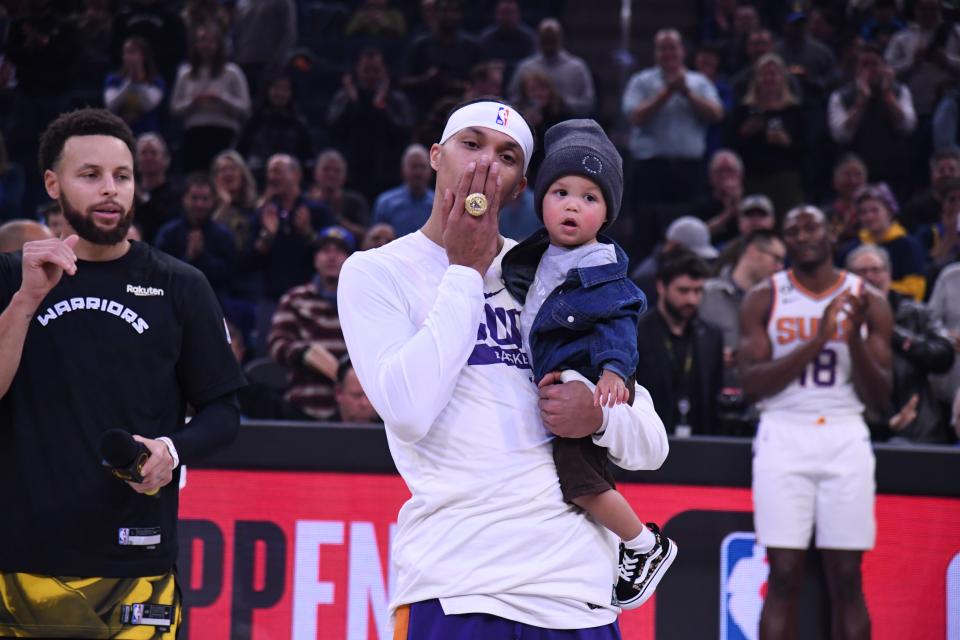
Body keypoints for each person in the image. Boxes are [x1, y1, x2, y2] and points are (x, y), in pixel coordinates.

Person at [338, 99, 669, 637]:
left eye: (507, 156)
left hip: (577, 591)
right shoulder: (377, 272)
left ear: (520, 188)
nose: (486, 164)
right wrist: (464, 273)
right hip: (457, 585)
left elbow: (652, 444)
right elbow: (408, 411)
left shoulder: (557, 274)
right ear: (436, 157)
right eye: (471, 145)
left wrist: (600, 418)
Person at [0, 108, 244, 636]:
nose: (110, 190)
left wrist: (171, 452)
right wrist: (24, 303)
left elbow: (224, 411)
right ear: (53, 183)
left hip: (137, 571)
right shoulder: (10, 278)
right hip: (15, 565)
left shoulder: (182, 286)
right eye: (90, 176)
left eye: (122, 176)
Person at [501, 119, 676, 610]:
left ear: (607, 216)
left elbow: (620, 323)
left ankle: (644, 544)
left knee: (582, 485)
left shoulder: (601, 270)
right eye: (560, 191)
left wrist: (612, 376)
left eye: (590, 198)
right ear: (539, 200)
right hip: (551, 397)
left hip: (579, 385)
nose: (573, 205)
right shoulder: (529, 258)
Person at [738, 205, 893, 640]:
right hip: (782, 431)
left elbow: (880, 397)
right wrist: (820, 339)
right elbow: (752, 385)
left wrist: (855, 341)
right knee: (783, 573)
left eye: (811, 227)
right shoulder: (764, 297)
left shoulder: (869, 300)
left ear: (831, 234)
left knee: (846, 575)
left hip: (845, 431)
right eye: (793, 229)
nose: (802, 235)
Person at [622, 29, 724, 256]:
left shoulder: (699, 82)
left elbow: (717, 114)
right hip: (651, 169)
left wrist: (686, 93)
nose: (668, 53)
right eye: (663, 48)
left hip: (689, 170)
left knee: (690, 231)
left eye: (673, 47)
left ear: (682, 51)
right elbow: (635, 116)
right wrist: (667, 92)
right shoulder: (641, 81)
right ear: (655, 53)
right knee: (645, 233)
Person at [847, 244, 955, 443]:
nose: (870, 277)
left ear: (889, 274)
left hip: (921, 429)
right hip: (863, 430)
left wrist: (893, 332)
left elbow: (944, 356)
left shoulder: (916, 312)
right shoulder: (840, 319)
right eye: (861, 272)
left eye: (876, 270)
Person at [701, 229, 786, 435]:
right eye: (776, 258)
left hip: (761, 409)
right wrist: (711, 355)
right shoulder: (706, 294)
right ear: (753, 251)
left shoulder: (781, 301)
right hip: (710, 406)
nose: (780, 267)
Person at [267, 226, 354, 420]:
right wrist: (304, 353)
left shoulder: (362, 300)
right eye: (325, 250)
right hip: (303, 407)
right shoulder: (295, 299)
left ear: (351, 259)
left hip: (353, 413)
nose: (331, 257)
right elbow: (276, 344)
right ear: (315, 259)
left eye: (339, 251)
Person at [635, 248, 723, 436]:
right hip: (647, 438)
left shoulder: (712, 335)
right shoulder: (636, 333)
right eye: (683, 291)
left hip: (701, 443)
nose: (691, 299)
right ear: (661, 287)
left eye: (698, 291)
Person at [729, 53, 806, 216]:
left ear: (782, 78)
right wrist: (745, 132)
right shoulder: (742, 111)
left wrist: (786, 142)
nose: (769, 78)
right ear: (756, 78)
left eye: (774, 73)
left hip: (785, 180)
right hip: (751, 179)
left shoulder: (794, 111)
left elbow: (807, 149)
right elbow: (730, 147)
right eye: (764, 74)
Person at [170, 22, 251, 173]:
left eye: (210, 40)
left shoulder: (232, 72)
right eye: (201, 40)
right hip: (194, 132)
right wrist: (192, 102)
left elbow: (245, 108)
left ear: (219, 44)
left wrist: (222, 99)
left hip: (223, 132)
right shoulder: (185, 73)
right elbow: (175, 108)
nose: (206, 45)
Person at [839, 183, 927, 301]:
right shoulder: (849, 249)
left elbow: (916, 291)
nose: (869, 217)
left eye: (875, 210)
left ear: (889, 211)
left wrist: (878, 288)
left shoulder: (909, 246)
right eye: (863, 212)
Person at [154, 172, 237, 293]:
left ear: (213, 201)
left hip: (214, 303)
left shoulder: (224, 235)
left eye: (205, 199)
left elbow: (229, 277)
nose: (199, 204)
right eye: (194, 198)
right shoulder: (169, 233)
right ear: (184, 199)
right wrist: (188, 258)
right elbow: (160, 274)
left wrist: (202, 256)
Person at [508, 18, 596, 117]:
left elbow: (588, 104)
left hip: (568, 123)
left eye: (552, 37)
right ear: (538, 38)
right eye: (545, 37)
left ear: (560, 37)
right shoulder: (526, 68)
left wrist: (562, 103)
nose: (549, 41)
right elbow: (512, 102)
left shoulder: (577, 68)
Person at [103, 36, 166, 136]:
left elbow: (149, 105)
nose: (128, 56)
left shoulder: (156, 81)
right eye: (126, 52)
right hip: (120, 132)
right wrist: (129, 82)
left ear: (143, 55)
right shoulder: (113, 79)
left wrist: (139, 82)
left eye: (132, 52)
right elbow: (111, 104)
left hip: (147, 134)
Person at [372, 144, 435, 237]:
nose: (418, 172)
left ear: (430, 171)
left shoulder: (438, 204)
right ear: (403, 170)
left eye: (422, 167)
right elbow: (375, 238)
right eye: (414, 166)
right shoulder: (386, 203)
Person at [306, 149, 370, 237]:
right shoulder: (306, 201)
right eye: (326, 169)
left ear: (345, 176)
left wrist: (334, 217)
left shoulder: (355, 201)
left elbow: (366, 234)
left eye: (337, 171)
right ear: (315, 173)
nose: (331, 174)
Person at [134, 133, 182, 244]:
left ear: (165, 159)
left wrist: (144, 198)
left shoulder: (177, 192)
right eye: (144, 153)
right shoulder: (129, 191)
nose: (148, 158)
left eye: (153, 153)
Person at [823, 154, 869, 247]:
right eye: (847, 175)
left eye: (858, 174)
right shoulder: (827, 214)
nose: (853, 181)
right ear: (835, 182)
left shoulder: (872, 212)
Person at [330, 356, 379, 423]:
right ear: (338, 393)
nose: (364, 404)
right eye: (356, 395)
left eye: (370, 396)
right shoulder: (320, 431)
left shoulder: (392, 431)